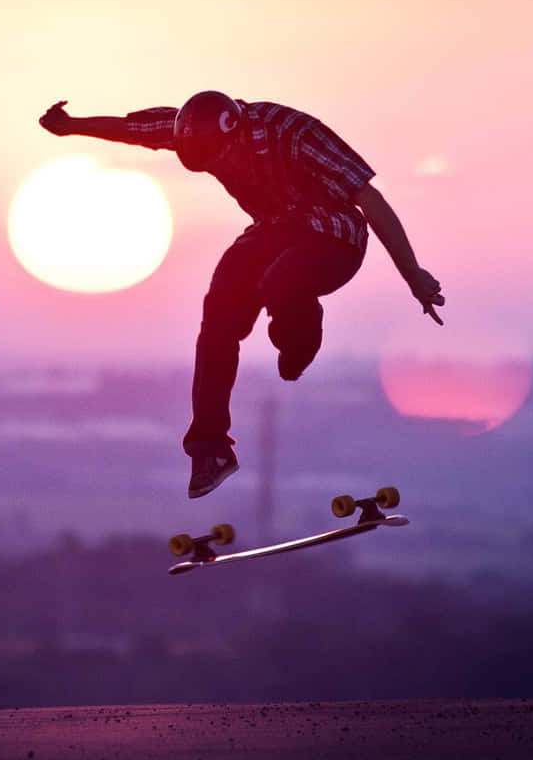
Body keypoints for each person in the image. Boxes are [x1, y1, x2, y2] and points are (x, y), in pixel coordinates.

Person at [39, 90, 444, 499]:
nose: (222, 170)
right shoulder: (193, 128)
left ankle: (300, 341)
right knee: (218, 314)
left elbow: (368, 198)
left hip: (336, 238)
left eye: (222, 160)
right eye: (210, 167)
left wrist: (412, 274)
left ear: (236, 138)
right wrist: (72, 127)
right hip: (275, 231)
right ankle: (210, 449)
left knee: (279, 282)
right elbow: (134, 129)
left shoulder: (296, 134)